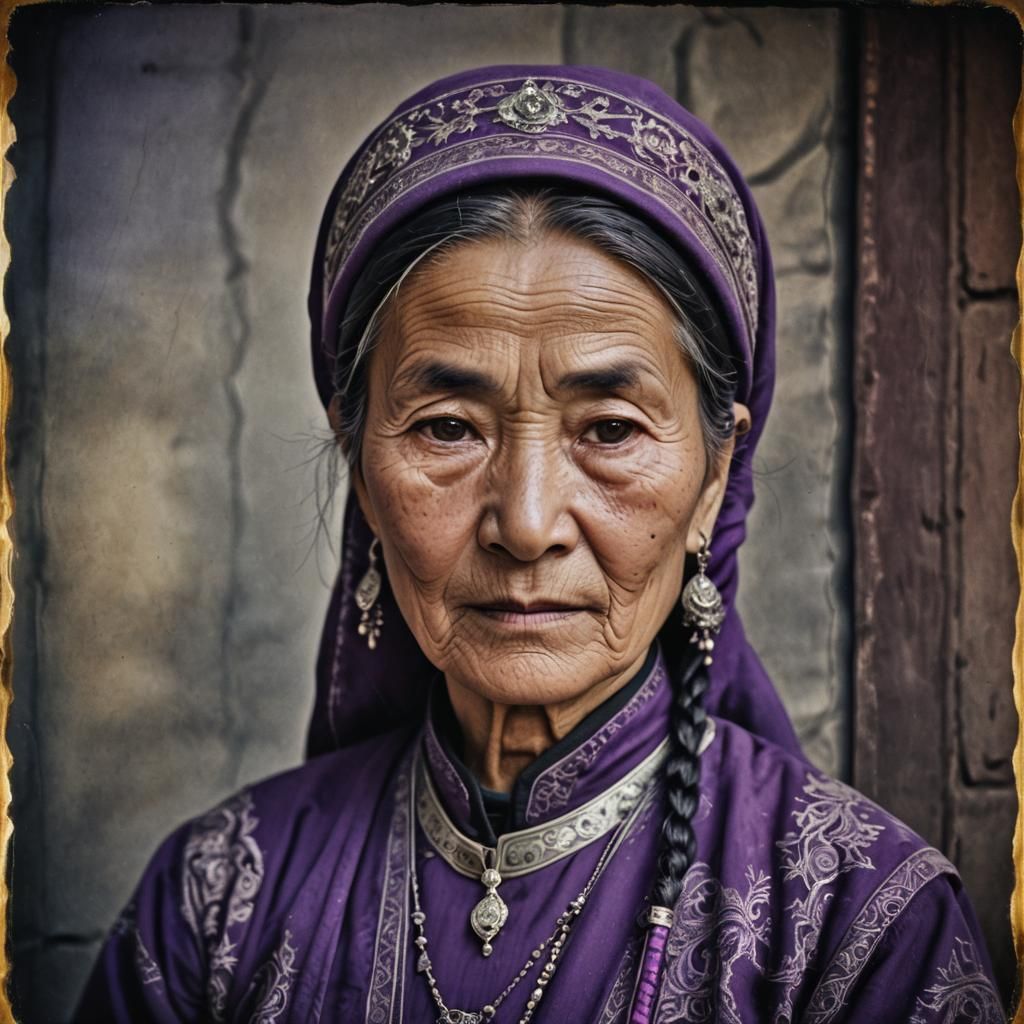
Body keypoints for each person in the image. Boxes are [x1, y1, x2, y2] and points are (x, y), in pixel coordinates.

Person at [73, 64, 1004, 1023]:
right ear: (358, 463)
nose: (524, 523)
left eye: (609, 429)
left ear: (713, 479)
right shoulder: (215, 905)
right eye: (446, 427)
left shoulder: (865, 932)